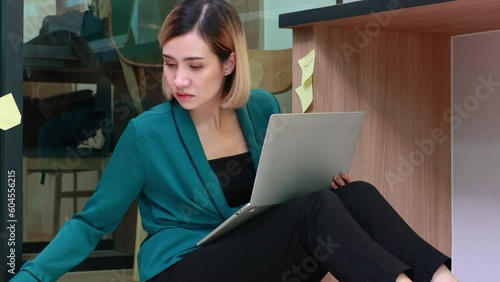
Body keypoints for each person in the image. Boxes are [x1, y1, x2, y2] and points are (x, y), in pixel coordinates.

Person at [11, 0, 458, 281]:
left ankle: (441, 277)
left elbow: (276, 194)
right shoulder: (146, 134)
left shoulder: (260, 107)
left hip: (253, 257)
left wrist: (321, 179)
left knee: (354, 194)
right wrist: (30, 277)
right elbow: (92, 224)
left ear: (228, 64)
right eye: (170, 64)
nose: (179, 79)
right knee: (318, 209)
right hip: (184, 267)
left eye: (194, 65)